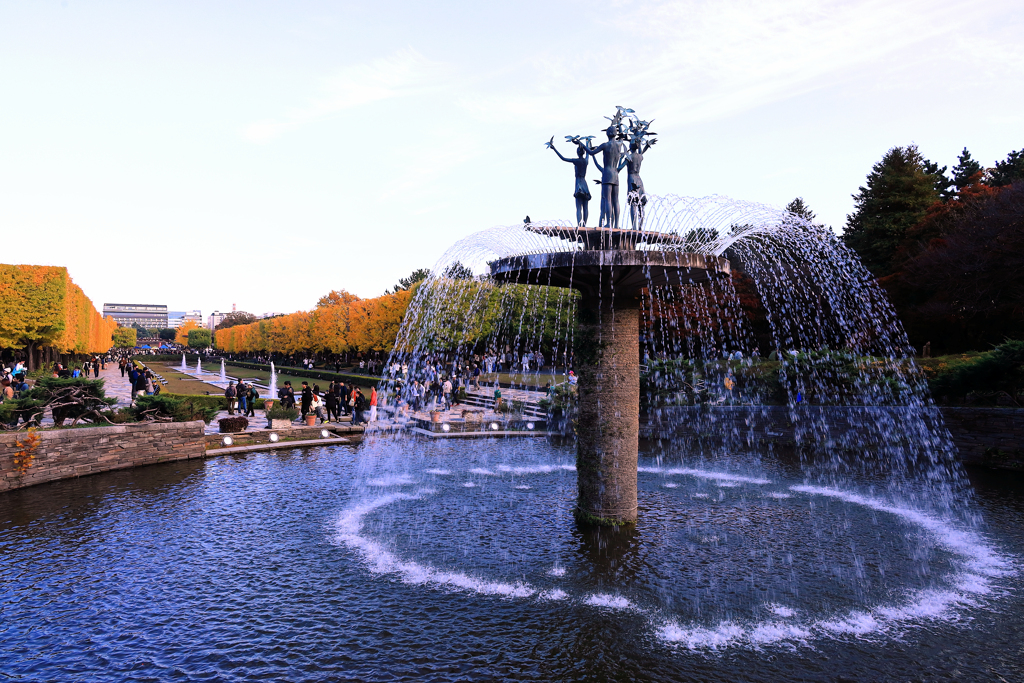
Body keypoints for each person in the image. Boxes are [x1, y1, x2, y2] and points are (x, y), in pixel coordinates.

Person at [547, 138, 592, 226]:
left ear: (578, 153)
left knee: (579, 207)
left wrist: (554, 149)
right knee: (586, 207)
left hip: (579, 184)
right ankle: (585, 225)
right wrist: (587, 143)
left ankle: (580, 225)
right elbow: (588, 153)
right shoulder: (586, 161)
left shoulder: (576, 161)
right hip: (585, 184)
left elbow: (563, 158)